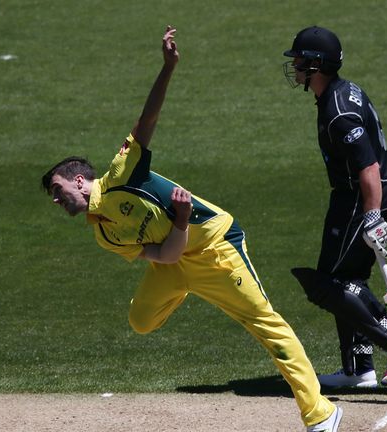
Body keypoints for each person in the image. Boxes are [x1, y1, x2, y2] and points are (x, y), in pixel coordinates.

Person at [42, 26, 342, 432]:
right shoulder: (104, 234)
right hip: (173, 261)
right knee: (141, 321)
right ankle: (185, 286)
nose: (58, 201)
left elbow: (148, 117)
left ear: (79, 180)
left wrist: (168, 68)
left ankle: (320, 412)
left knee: (267, 326)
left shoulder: (121, 173)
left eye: (59, 191)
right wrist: (176, 242)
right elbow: (165, 256)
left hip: (215, 247)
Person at [282, 26, 387, 389]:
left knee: (330, 285)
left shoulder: (338, 112)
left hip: (362, 197)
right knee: (347, 280)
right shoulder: (341, 92)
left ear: (317, 65)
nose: (296, 67)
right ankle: (358, 369)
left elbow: (367, 167)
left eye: (301, 61)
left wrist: (372, 217)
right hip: (358, 195)